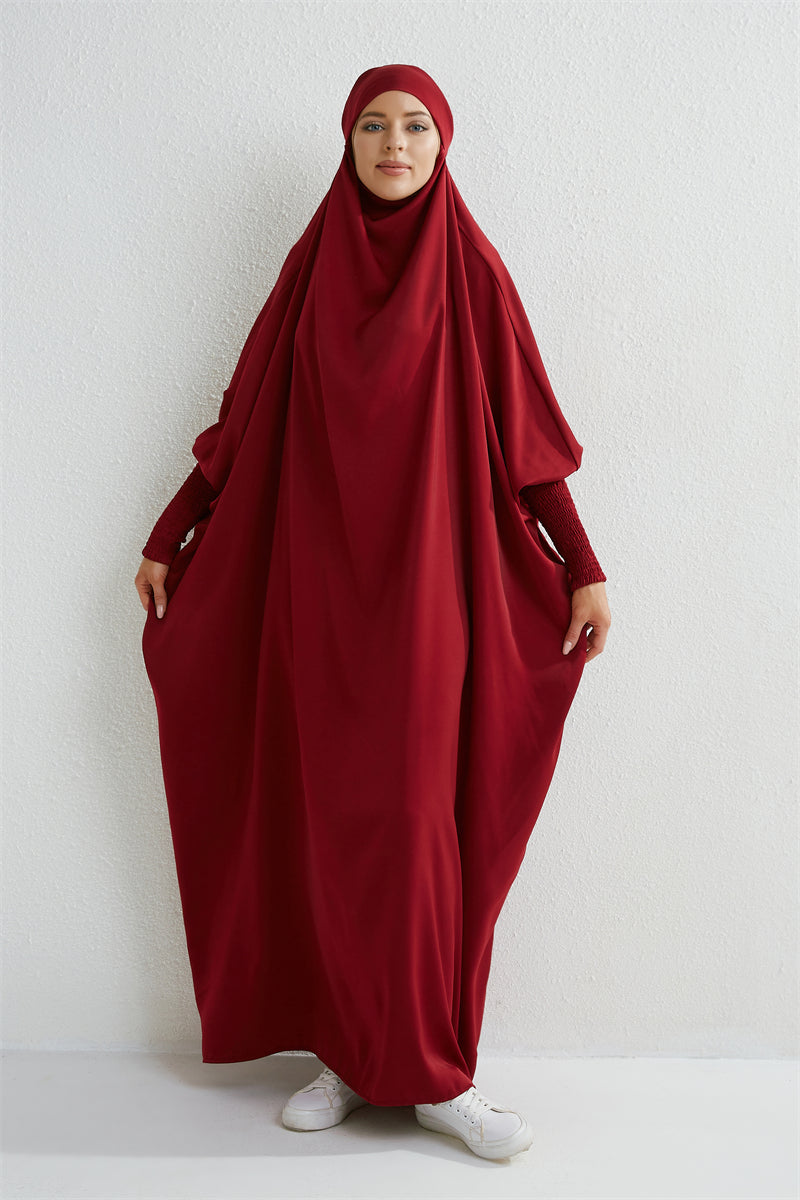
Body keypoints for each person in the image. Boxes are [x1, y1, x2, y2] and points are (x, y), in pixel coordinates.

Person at [135, 64, 611, 1162]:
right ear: (347, 143)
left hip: (432, 593)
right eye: (372, 126)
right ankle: (350, 1058)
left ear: (442, 144)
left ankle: (439, 1073)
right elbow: (244, 424)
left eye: (415, 126)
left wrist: (580, 564)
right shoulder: (310, 272)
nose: (394, 144)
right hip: (315, 588)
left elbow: (527, 442)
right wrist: (170, 532)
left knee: (415, 821)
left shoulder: (471, 271)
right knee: (331, 820)